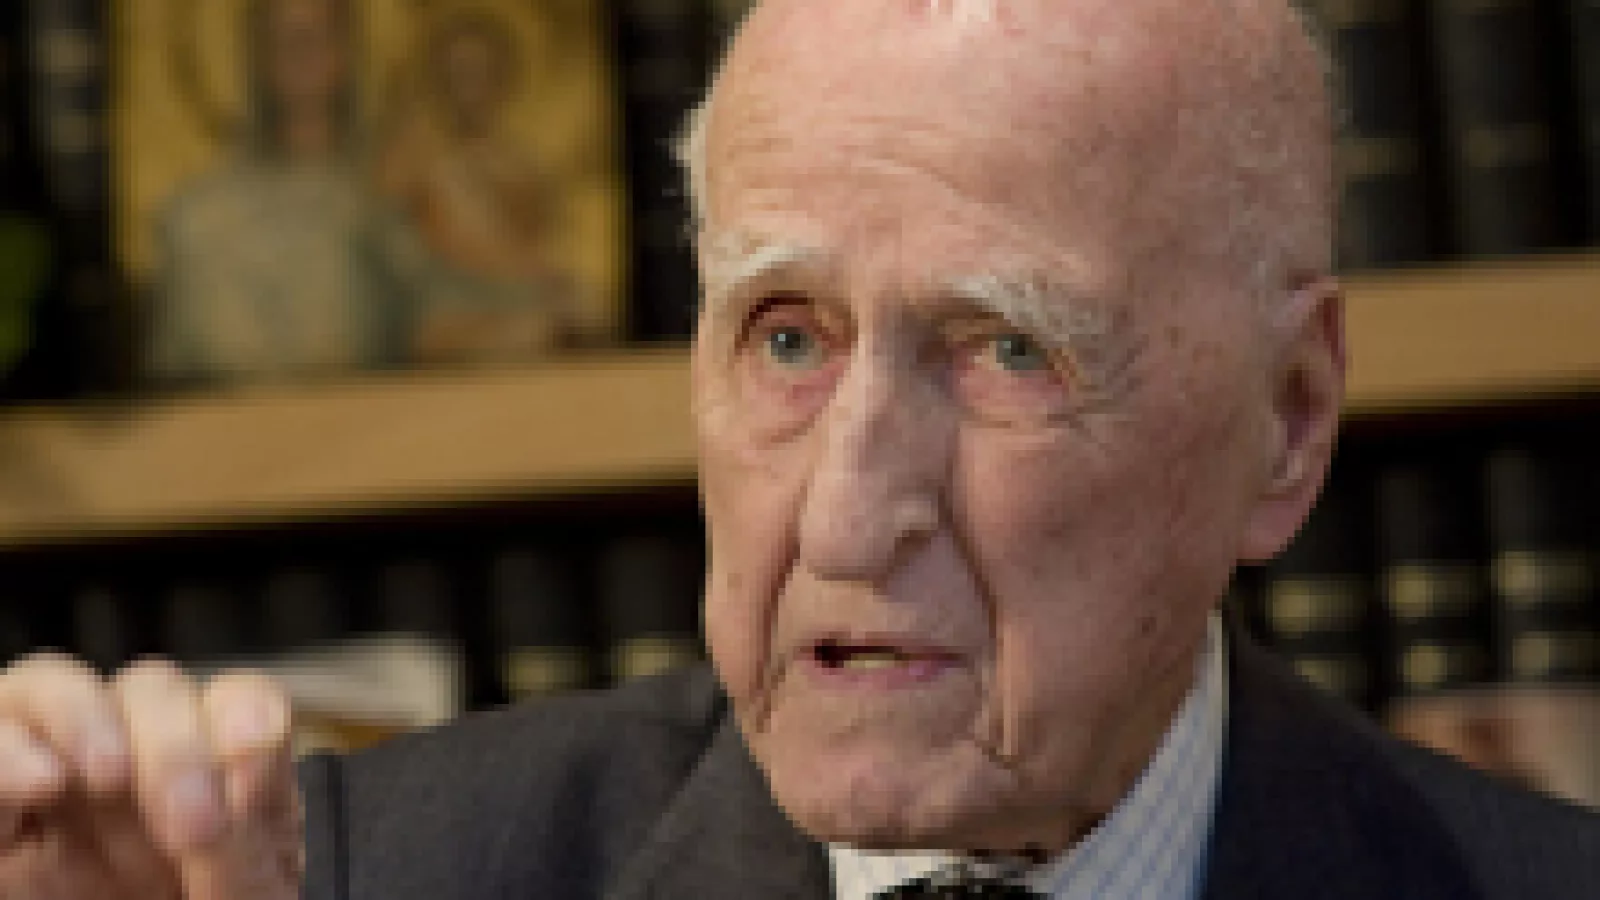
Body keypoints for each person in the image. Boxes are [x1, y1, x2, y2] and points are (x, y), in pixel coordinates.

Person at [4, 0, 1598, 898]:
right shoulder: (350, 881)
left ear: (1290, 422)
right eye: (785, 337)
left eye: (1006, 349)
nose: (843, 519)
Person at [149, 0, 393, 386]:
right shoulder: (203, 212)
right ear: (257, 58)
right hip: (233, 411)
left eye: (317, 35)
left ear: (348, 51)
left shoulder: (390, 194)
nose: (301, 53)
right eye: (282, 39)